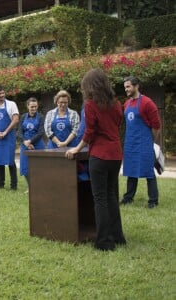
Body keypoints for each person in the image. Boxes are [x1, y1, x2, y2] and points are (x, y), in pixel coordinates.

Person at [66, 68, 126, 251]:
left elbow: (90, 132)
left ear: (89, 86)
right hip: (116, 155)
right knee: (111, 196)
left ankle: (104, 242)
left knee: (100, 199)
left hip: (100, 156)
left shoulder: (91, 105)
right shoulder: (116, 104)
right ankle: (118, 237)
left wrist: (76, 148)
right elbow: (117, 125)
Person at [120, 76, 161, 209]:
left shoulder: (147, 103)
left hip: (144, 143)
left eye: (128, 86)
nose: (126, 89)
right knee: (131, 171)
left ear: (136, 86)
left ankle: (153, 201)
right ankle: (128, 198)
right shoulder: (126, 104)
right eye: (125, 87)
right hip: (130, 143)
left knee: (149, 172)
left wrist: (151, 142)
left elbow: (156, 126)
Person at [17, 97, 45, 190]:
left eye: (35, 106)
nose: (34, 109)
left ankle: (38, 187)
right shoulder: (23, 117)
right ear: (27, 106)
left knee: (39, 167)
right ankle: (30, 187)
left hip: (38, 145)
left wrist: (30, 141)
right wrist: (25, 142)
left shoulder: (41, 117)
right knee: (25, 168)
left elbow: (41, 132)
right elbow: (19, 132)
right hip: (25, 145)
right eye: (32, 107)